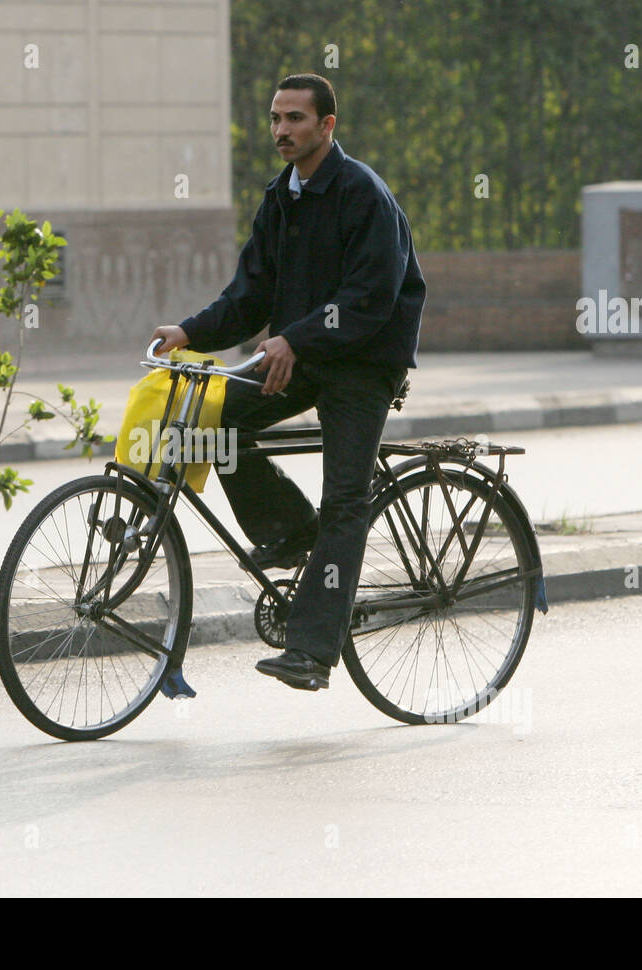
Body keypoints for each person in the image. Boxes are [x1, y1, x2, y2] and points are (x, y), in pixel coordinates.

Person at [150, 72, 426, 692]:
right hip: (302, 356)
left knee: (346, 501)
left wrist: (294, 338)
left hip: (363, 362)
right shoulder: (281, 196)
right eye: (275, 118)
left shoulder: (363, 195)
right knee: (212, 425)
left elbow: (369, 298)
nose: (281, 130)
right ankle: (291, 531)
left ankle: (310, 651)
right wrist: (189, 332)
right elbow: (249, 296)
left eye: (295, 119)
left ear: (327, 126)